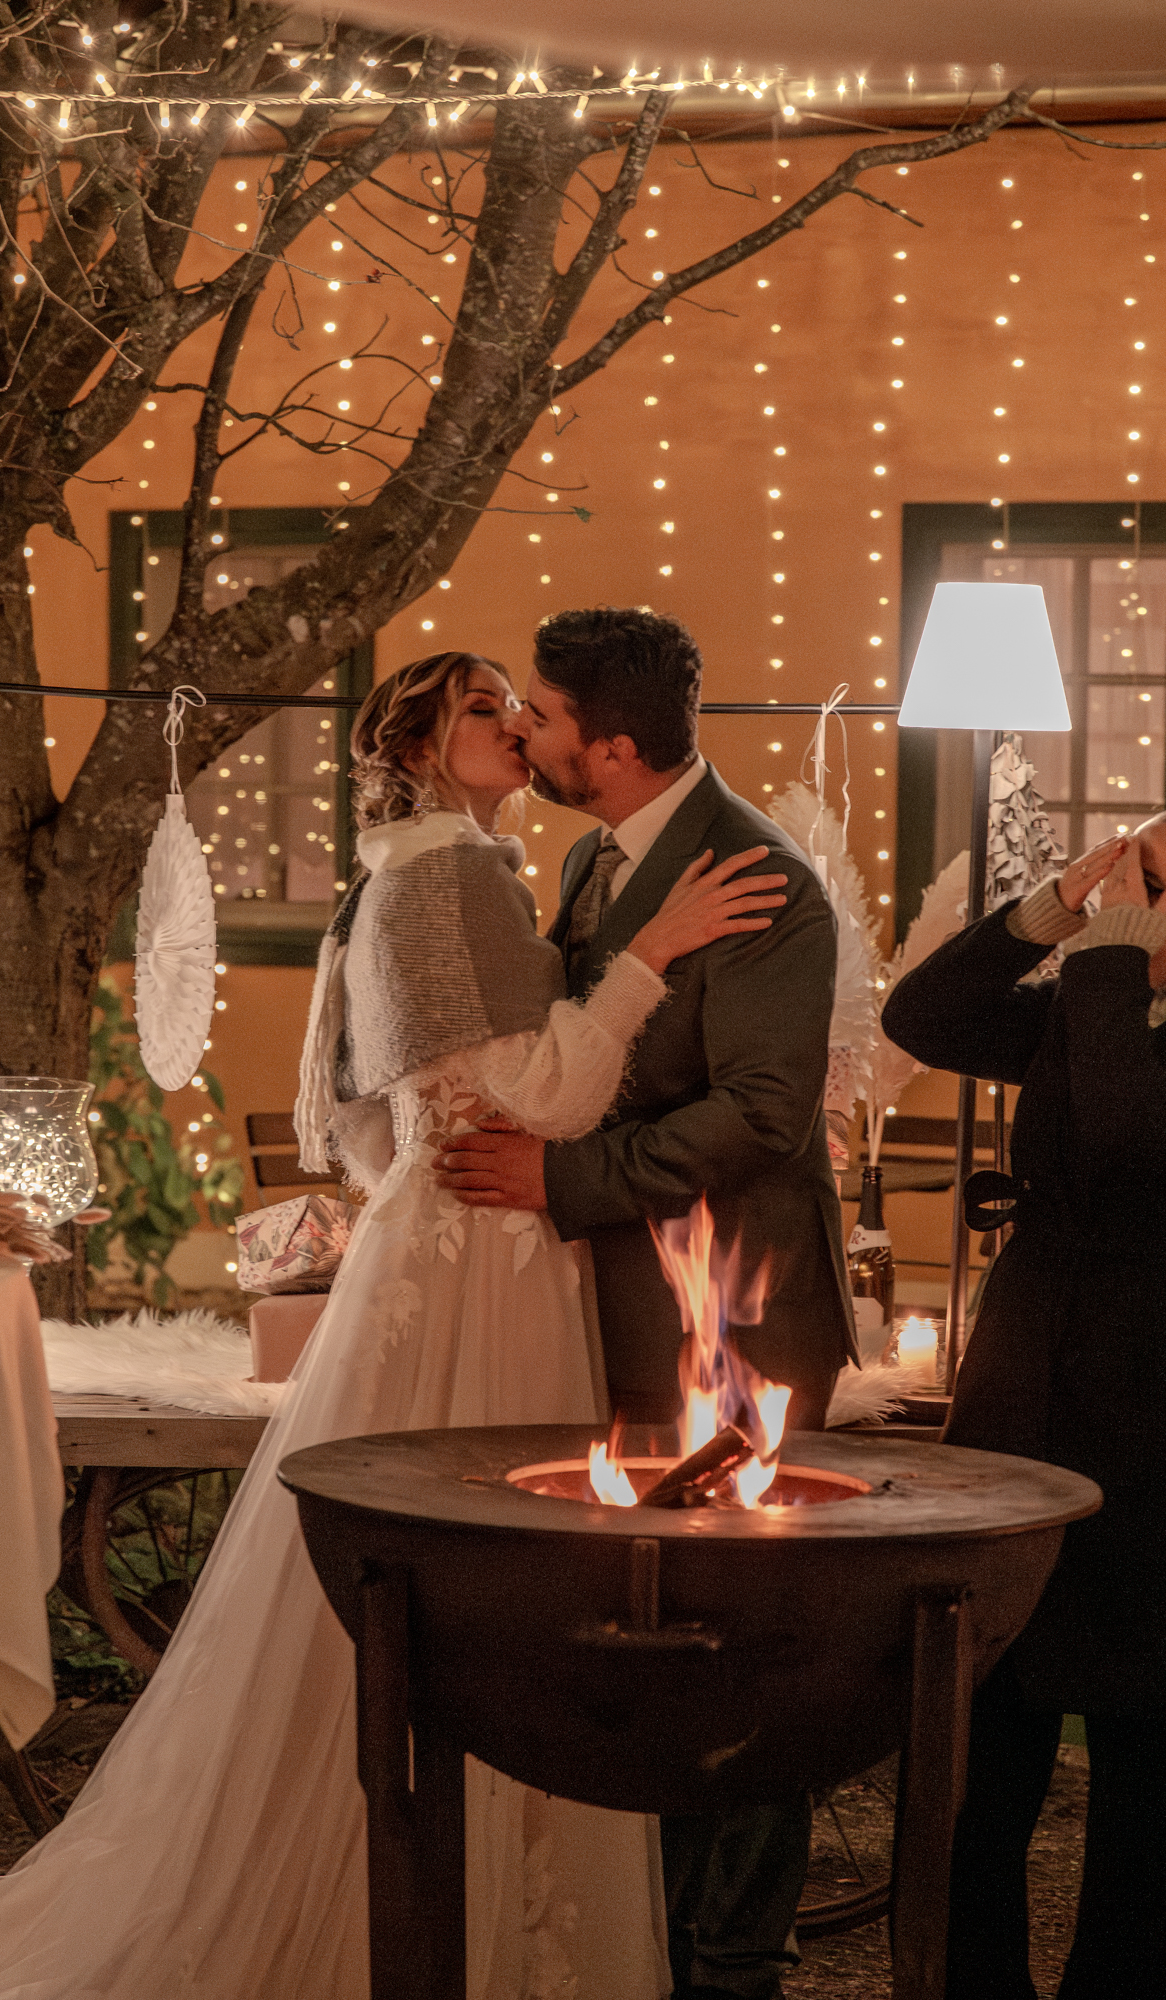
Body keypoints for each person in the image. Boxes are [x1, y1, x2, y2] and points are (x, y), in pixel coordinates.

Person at [0, 649, 782, 2000]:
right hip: (483, 1258)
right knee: (484, 1588)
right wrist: (645, 960)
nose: (513, 726)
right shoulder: (446, 873)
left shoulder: (448, 867)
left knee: (449, 1587)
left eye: (518, 708)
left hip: (470, 1247)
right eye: (480, 709)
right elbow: (549, 1095)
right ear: (414, 745)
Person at [438, 606, 845, 2000]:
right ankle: (638, 1947)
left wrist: (566, 1177)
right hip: (616, 1297)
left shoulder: (763, 881)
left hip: (733, 1309)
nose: (526, 734)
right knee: (631, 1636)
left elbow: (767, 1115)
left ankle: (733, 1964)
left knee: (734, 1657)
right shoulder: (592, 853)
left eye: (542, 718)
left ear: (608, 748)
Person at [879, 807, 1166, 2000]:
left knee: (1153, 1746)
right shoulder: (1098, 992)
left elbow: (1130, 1125)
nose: (1116, 886)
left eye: (1147, 877)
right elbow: (918, 1017)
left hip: (1164, 1392)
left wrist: (1110, 954)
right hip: (1026, 1369)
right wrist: (1049, 916)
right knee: (984, 1721)